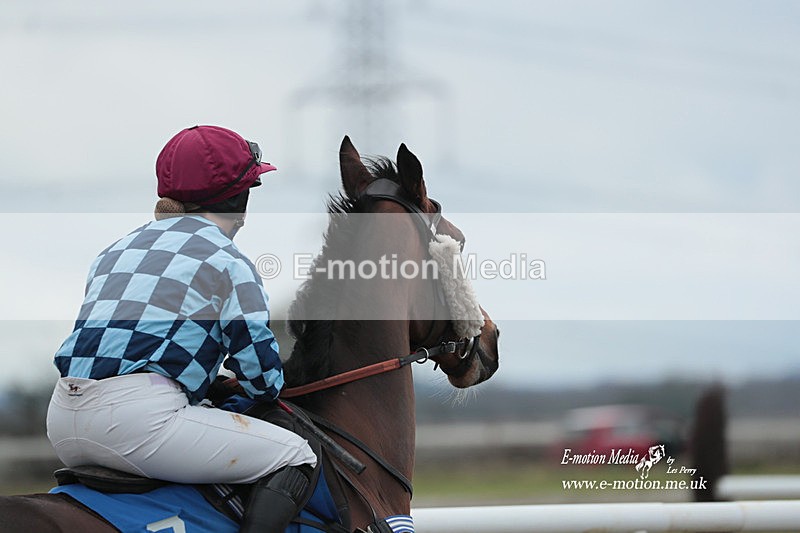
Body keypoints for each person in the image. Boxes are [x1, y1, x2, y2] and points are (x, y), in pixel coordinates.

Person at [46, 125, 317, 532]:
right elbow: (262, 378)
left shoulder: (115, 250)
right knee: (296, 454)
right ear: (238, 196)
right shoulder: (229, 259)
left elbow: (130, 346)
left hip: (63, 420)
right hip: (136, 421)